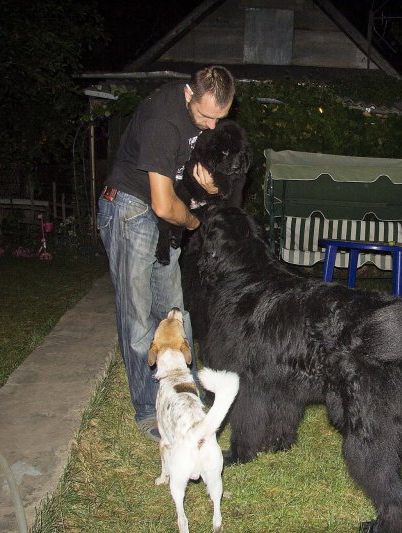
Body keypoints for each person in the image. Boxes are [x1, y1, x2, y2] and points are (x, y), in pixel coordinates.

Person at [97, 66, 236, 441]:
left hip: (160, 222)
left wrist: (209, 187)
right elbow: (163, 204)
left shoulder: (201, 119)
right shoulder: (164, 121)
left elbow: (188, 176)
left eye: (219, 119)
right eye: (206, 116)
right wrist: (192, 223)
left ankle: (186, 401)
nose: (211, 126)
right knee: (139, 318)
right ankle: (149, 410)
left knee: (174, 313)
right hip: (131, 210)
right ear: (190, 95)